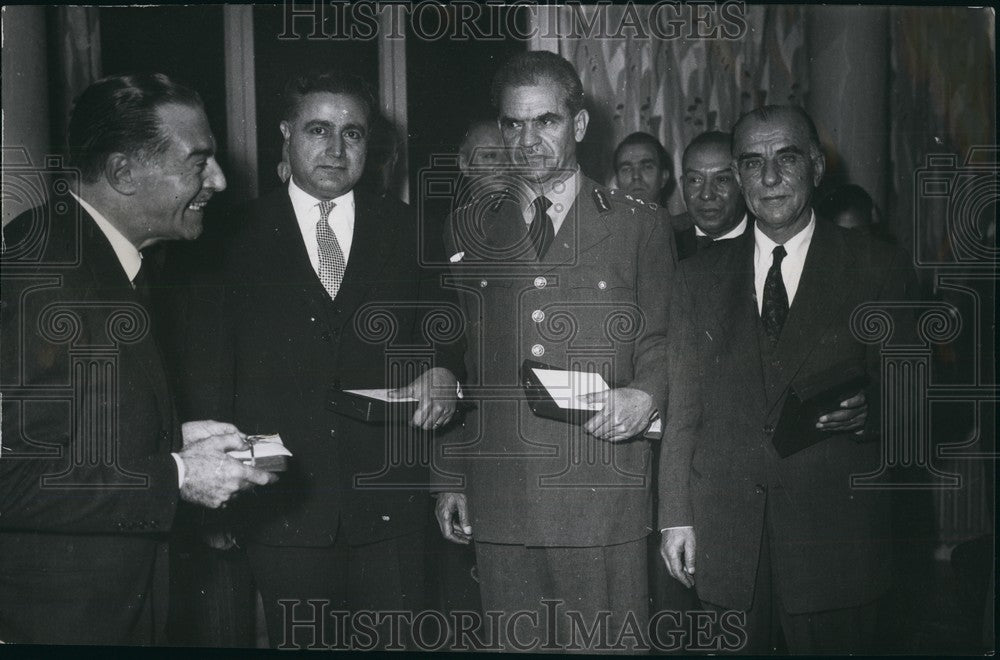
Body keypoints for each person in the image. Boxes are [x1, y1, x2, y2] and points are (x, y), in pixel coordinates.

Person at [170, 69, 464, 649]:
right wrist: (219, 506)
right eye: (318, 130)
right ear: (286, 134)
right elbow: (206, 371)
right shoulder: (229, 237)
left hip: (389, 506)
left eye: (352, 134)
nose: (335, 148)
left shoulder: (410, 230)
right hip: (281, 508)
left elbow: (447, 330)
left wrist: (444, 369)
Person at [0, 73, 276, 644]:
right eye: (198, 162)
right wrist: (176, 473)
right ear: (124, 173)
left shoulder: (97, 257)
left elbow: (72, 428)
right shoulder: (43, 276)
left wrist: (171, 436)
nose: (219, 182)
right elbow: (10, 477)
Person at [436, 51, 675, 651]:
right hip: (501, 496)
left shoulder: (637, 225)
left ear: (579, 126)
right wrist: (447, 476)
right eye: (512, 124)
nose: (526, 140)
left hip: (600, 490)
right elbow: (456, 361)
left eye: (544, 121)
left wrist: (645, 395)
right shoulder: (468, 229)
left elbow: (664, 339)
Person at [659, 105, 914, 654]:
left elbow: (914, 407)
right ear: (738, 175)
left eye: (786, 158)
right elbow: (683, 413)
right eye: (752, 163)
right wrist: (675, 518)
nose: (769, 178)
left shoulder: (878, 267)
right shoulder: (696, 278)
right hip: (727, 539)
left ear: (818, 167)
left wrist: (879, 411)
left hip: (835, 543)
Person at [673, 131, 750, 259]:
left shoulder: (770, 244)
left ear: (742, 183)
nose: (707, 195)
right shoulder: (666, 250)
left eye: (722, 179)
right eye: (695, 180)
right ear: (682, 186)